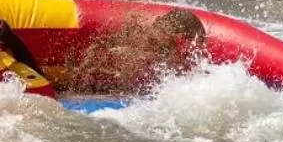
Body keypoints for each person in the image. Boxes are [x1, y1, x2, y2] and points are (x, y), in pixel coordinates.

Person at [62, 8, 206, 95]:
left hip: (109, 78)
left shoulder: (165, 44)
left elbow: (177, 70)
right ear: (177, 33)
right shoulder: (142, 33)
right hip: (97, 74)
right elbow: (106, 48)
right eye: (184, 37)